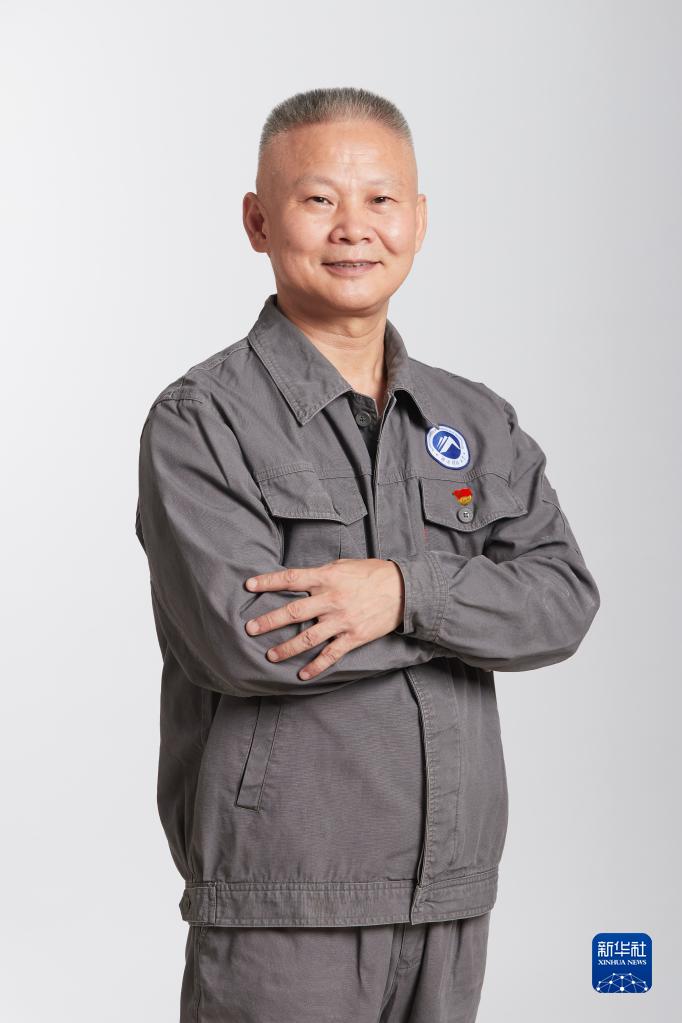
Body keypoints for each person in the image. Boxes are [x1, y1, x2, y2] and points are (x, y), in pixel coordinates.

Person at [134, 86, 601, 1023]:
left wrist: (403, 592)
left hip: (453, 893)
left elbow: (560, 600)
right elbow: (248, 639)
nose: (354, 227)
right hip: (284, 903)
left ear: (418, 220)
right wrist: (468, 607)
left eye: (381, 199)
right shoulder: (202, 421)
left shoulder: (475, 419)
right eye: (318, 199)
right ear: (258, 222)